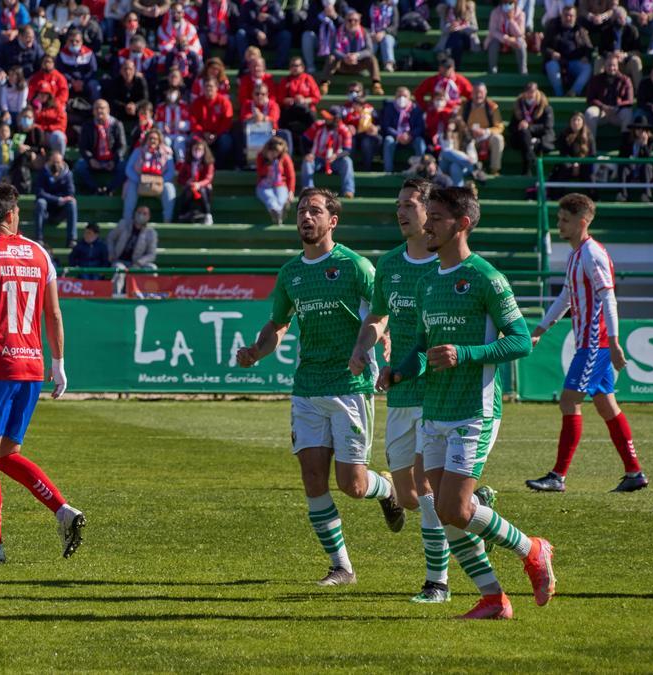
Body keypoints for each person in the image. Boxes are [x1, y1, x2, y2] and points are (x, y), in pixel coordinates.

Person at [379, 186, 555, 620]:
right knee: (442, 510)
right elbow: (423, 344)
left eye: (436, 217)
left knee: (454, 508)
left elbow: (520, 341)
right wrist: (399, 370)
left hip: (474, 410)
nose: (428, 224)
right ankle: (493, 598)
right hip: (434, 406)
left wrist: (468, 353)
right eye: (430, 216)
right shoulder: (427, 281)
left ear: (462, 224)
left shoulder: (486, 278)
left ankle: (531, 549)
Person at [236, 187, 405, 587]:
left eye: (315, 211)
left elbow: (384, 309)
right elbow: (278, 324)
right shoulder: (291, 272)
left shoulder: (355, 266)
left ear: (333, 221)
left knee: (352, 484)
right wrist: (256, 352)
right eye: (301, 212)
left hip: (350, 384)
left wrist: (379, 336)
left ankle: (387, 490)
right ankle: (342, 566)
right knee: (312, 478)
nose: (305, 218)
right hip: (308, 385)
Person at [0, 182, 85, 564]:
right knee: (7, 453)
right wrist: (59, 365)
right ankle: (63, 510)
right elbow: (54, 313)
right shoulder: (40, 253)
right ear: (10, 214)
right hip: (33, 364)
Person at [349, 179, 455, 603]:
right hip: (399, 389)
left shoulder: (443, 262)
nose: (402, 211)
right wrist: (363, 345)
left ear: (430, 212)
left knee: (427, 492)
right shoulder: (390, 264)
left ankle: (437, 581)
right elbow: (378, 315)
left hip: (440, 391)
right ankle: (472, 503)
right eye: (399, 204)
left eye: (411, 204)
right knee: (409, 496)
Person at [526, 194, 649, 493]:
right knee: (606, 405)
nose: (560, 225)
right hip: (591, 342)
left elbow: (609, 297)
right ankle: (634, 473)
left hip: (596, 342)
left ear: (583, 221)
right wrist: (541, 328)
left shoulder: (592, 254)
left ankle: (558, 476)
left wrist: (615, 342)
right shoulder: (575, 255)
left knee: (569, 401)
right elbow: (566, 298)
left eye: (565, 220)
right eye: (558, 219)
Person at [320, 11, 384, 96]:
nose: (353, 22)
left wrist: (357, 55)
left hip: (358, 63)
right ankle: (324, 83)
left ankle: (376, 84)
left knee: (372, 59)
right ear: (345, 20)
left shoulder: (365, 32)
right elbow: (333, 50)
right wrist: (345, 57)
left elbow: (369, 50)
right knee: (331, 58)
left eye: (355, 20)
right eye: (350, 20)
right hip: (343, 64)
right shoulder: (338, 32)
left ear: (359, 21)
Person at [122, 128, 176, 223]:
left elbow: (171, 171)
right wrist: (138, 179)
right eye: (150, 138)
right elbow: (129, 169)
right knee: (130, 186)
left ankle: (167, 220)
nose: (152, 141)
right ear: (146, 140)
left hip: (159, 183)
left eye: (155, 139)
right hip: (140, 182)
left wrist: (161, 181)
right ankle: (127, 219)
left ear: (159, 140)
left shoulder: (167, 153)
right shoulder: (138, 151)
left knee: (169, 188)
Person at [76, 99, 128, 194]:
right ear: (93, 111)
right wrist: (90, 159)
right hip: (95, 159)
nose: (99, 110)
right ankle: (94, 189)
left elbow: (122, 146)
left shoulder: (116, 124)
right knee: (80, 166)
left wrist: (114, 160)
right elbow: (83, 147)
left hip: (111, 160)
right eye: (96, 108)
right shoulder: (87, 125)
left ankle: (109, 189)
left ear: (108, 110)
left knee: (124, 167)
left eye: (102, 108)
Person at [301, 108, 356, 198]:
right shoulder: (318, 125)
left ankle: (348, 190)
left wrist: (336, 156)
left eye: (329, 118)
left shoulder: (344, 130)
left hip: (334, 160)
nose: (326, 119)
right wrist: (308, 153)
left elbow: (347, 150)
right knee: (307, 162)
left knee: (347, 161)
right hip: (317, 158)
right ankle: (308, 190)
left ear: (336, 119)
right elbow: (304, 139)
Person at [544, 6, 595, 97]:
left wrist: (586, 56)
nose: (568, 18)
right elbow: (544, 47)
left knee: (587, 68)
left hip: (575, 61)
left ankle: (573, 92)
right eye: (566, 15)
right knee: (551, 66)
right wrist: (552, 53)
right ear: (561, 16)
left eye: (571, 16)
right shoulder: (553, 27)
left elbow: (589, 47)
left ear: (575, 17)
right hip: (558, 61)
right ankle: (559, 94)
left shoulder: (580, 30)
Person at [584, 52, 635, 139]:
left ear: (618, 66)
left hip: (618, 112)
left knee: (628, 113)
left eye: (614, 65)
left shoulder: (625, 80)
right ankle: (590, 147)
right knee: (590, 113)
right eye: (609, 65)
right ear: (604, 66)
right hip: (602, 112)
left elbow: (629, 100)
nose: (612, 68)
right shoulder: (596, 79)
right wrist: (603, 107)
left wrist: (617, 107)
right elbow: (590, 98)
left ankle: (625, 147)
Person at [509, 81, 556, 175]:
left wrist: (529, 127)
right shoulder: (519, 105)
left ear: (537, 92)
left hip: (540, 138)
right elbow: (511, 127)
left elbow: (547, 126)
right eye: (527, 91)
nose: (530, 94)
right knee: (524, 134)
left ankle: (526, 168)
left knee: (526, 136)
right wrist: (519, 126)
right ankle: (531, 157)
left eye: (532, 91)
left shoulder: (545, 106)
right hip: (522, 138)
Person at [33, 151, 79, 245]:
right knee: (40, 202)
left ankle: (72, 239)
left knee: (72, 203)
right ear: (49, 161)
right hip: (46, 211)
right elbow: (40, 193)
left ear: (62, 162)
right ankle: (39, 238)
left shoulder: (68, 175)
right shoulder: (43, 173)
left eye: (58, 162)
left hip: (61, 212)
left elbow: (70, 193)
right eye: (53, 162)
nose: (55, 164)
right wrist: (59, 200)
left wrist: (62, 200)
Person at [460, 83, 505, 177]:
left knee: (498, 139)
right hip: (469, 138)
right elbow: (459, 123)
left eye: (481, 92)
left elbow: (500, 127)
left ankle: (494, 170)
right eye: (476, 92)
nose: (478, 95)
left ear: (485, 93)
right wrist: (469, 130)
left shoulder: (492, 107)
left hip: (486, 138)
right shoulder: (464, 106)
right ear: (472, 93)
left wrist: (485, 131)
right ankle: (469, 170)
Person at [256, 136, 295, 225]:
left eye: (277, 152)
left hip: (280, 184)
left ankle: (278, 214)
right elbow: (260, 173)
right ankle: (277, 212)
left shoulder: (285, 157)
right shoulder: (260, 156)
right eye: (273, 152)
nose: (275, 155)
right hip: (264, 185)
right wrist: (269, 163)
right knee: (269, 197)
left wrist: (291, 191)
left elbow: (291, 176)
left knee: (281, 198)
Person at [175, 139, 214, 224]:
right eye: (195, 149)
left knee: (202, 190)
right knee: (188, 191)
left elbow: (208, 178)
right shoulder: (187, 163)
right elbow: (180, 178)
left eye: (199, 149)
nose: (197, 151)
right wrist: (187, 182)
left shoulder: (208, 163)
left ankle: (208, 214)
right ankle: (183, 214)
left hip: (203, 187)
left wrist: (199, 184)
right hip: (190, 186)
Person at [486, 0, 527, 75]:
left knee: (520, 42)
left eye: (510, 3)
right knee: (493, 43)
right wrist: (506, 39)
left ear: (514, 3)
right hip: (500, 39)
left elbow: (520, 33)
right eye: (504, 2)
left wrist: (511, 20)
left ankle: (523, 71)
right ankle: (492, 70)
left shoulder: (521, 14)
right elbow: (493, 31)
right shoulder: (495, 12)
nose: (507, 4)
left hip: (514, 41)